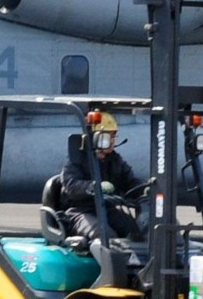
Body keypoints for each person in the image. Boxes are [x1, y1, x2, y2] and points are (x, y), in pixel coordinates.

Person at [54, 112, 146, 289]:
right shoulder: (76, 161)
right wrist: (93, 187)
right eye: (108, 136)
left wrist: (146, 189)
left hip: (106, 208)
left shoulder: (115, 160)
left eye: (114, 136)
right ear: (96, 137)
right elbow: (72, 186)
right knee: (105, 235)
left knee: (134, 230)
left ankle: (136, 275)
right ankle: (111, 280)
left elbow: (130, 182)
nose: (112, 141)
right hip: (80, 211)